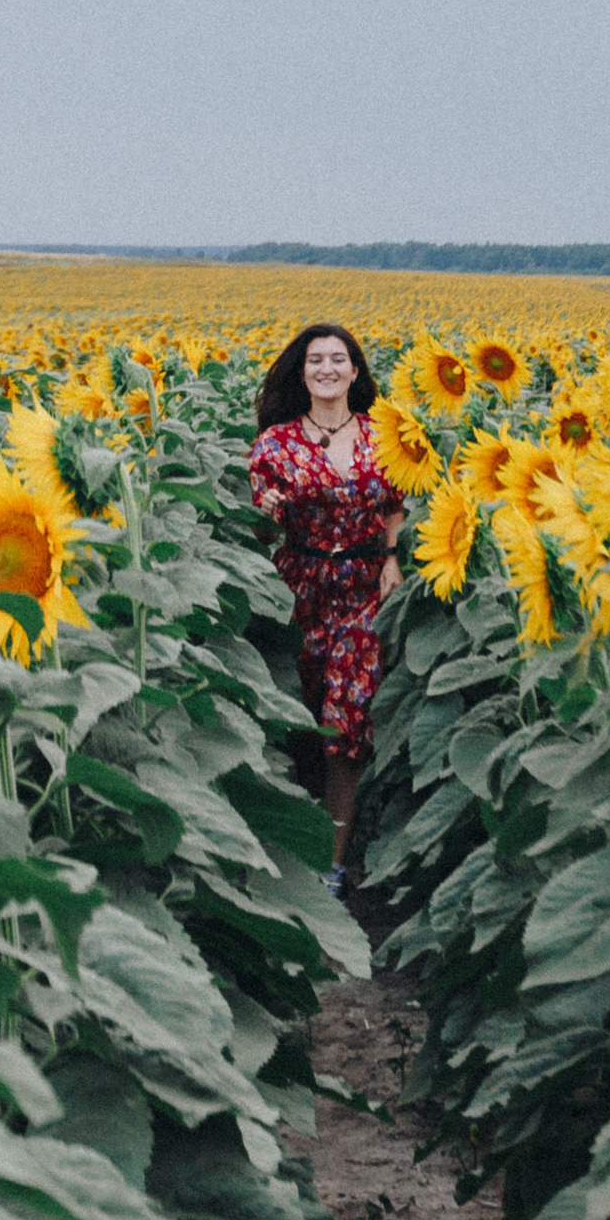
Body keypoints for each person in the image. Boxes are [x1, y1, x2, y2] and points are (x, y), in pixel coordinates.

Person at [249, 321, 403, 891]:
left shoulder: (385, 438)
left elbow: (396, 502)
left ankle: (333, 863)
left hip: (365, 585)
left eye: (338, 359)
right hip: (301, 586)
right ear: (302, 371)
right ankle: (300, 840)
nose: (327, 369)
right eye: (316, 360)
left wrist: (393, 557)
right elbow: (260, 522)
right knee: (303, 714)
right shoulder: (274, 444)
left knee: (347, 715)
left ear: (355, 371)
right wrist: (267, 511)